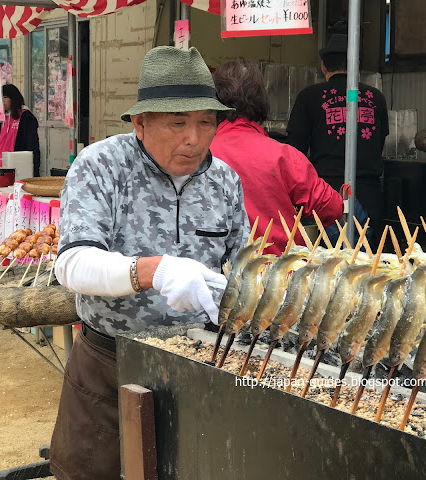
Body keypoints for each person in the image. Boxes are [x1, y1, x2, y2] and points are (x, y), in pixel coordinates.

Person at [50, 46, 249, 480]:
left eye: (205, 122)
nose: (194, 139)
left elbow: (242, 268)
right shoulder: (102, 166)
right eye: (178, 123)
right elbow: (72, 263)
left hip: (200, 364)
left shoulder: (224, 182)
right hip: (110, 364)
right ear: (140, 123)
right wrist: (153, 270)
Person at [210, 60, 343, 254]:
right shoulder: (284, 156)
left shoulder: (198, 155)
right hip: (279, 273)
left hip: (215, 273)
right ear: (262, 100)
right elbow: (332, 207)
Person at [286, 34, 389, 243]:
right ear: (357, 65)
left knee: (326, 271)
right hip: (370, 199)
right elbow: (378, 145)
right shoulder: (376, 98)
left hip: (324, 199)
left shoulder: (309, 97)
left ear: (323, 66)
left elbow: (294, 153)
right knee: (365, 270)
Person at [0, 84, 41, 177]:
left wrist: (35, 168)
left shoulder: (26, 116)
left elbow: (32, 145)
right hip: (2, 165)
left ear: (13, 98)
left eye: (5, 97)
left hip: (20, 166)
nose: (2, 101)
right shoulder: (2, 118)